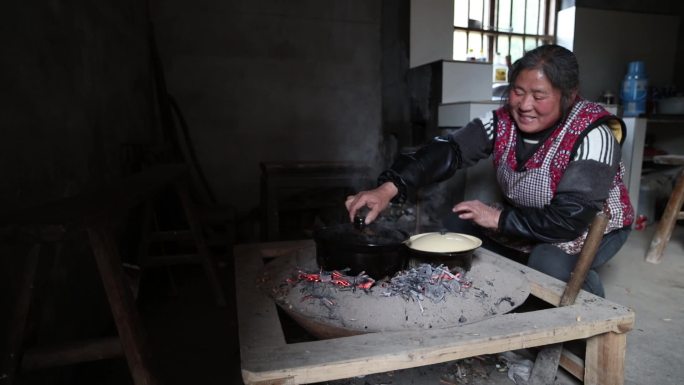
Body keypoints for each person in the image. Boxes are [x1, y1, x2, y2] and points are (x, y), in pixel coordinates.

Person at [345, 44, 633, 297]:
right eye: (518, 92)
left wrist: (496, 217)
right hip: (532, 217)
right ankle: (517, 275)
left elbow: (566, 221)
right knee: (457, 226)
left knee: (548, 262)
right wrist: (387, 189)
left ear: (569, 96)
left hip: (584, 226)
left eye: (539, 95)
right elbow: (449, 150)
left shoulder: (594, 135)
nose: (525, 105)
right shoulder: (502, 121)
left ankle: (593, 302)